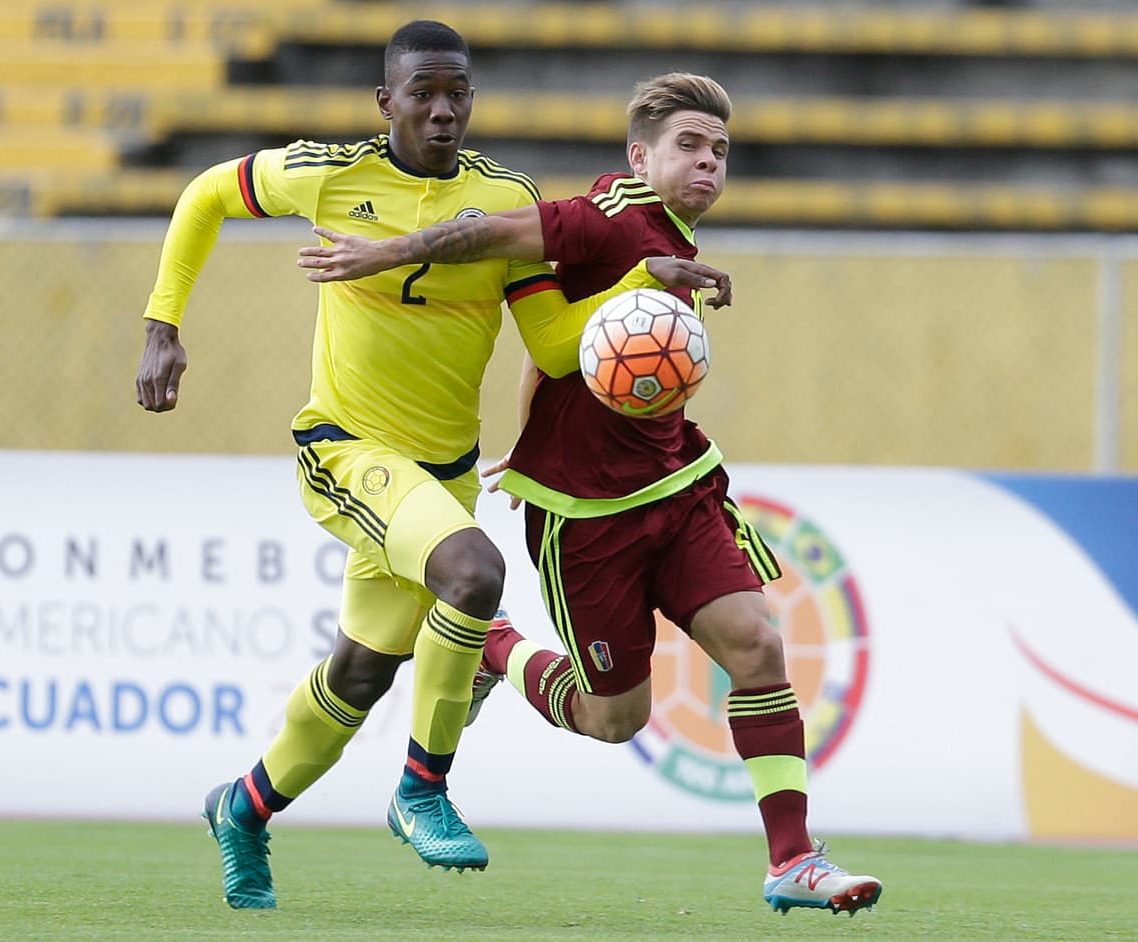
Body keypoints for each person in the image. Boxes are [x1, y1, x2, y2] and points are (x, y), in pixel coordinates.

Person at [134, 25, 728, 910]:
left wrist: (638, 281)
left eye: (458, 93)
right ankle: (424, 788)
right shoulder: (331, 176)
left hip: (443, 475)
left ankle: (243, 808)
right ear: (388, 102)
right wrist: (161, 324)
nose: (443, 109)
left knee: (361, 673)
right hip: (346, 449)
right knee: (474, 571)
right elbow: (205, 193)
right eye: (423, 93)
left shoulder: (502, 199)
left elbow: (561, 349)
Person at [296, 71, 883, 917]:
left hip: (678, 486)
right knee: (615, 720)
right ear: (640, 155)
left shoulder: (669, 238)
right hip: (589, 522)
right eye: (690, 145)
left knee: (757, 646)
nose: (709, 162)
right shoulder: (608, 215)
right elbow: (487, 235)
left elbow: (560, 346)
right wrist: (382, 253)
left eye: (720, 150)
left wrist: (533, 423)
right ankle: (492, 647)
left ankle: (791, 859)